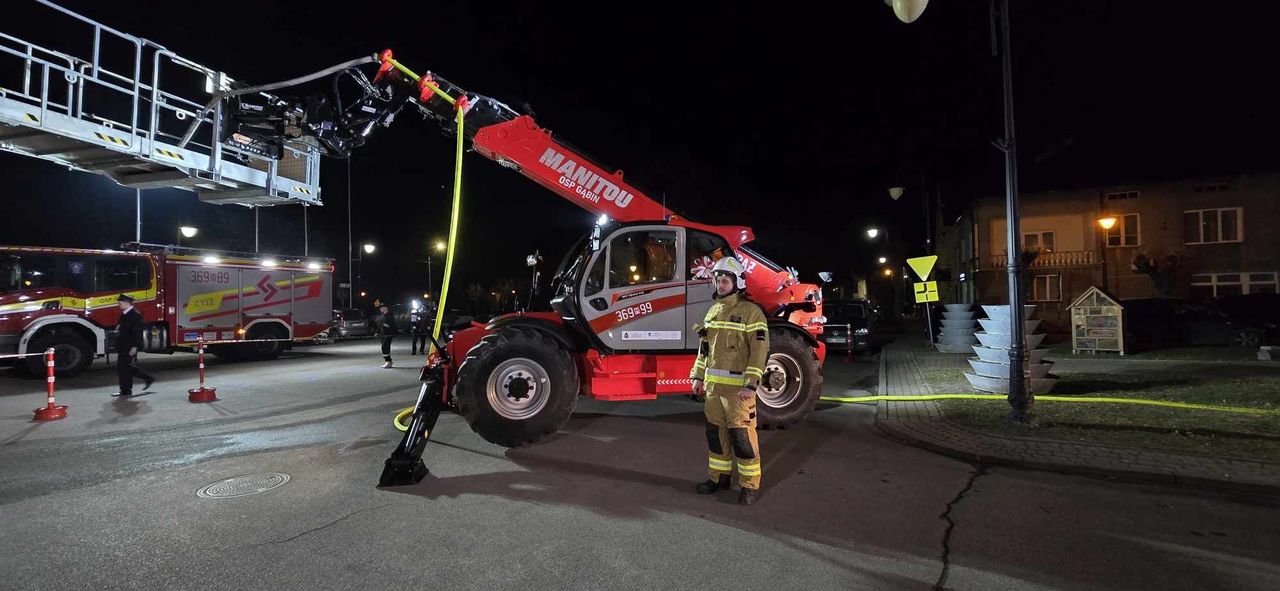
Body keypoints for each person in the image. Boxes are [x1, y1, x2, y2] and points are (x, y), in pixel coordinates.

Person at [690, 257, 769, 505]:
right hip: (714, 390)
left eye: (725, 280)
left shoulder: (751, 312)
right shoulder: (713, 311)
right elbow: (705, 349)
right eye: (718, 279)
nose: (721, 284)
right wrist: (697, 376)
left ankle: (749, 486)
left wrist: (751, 384)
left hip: (739, 392)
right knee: (715, 436)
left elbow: (759, 351)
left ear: (738, 282)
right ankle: (718, 478)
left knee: (742, 439)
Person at [112, 293, 155, 397]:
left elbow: (137, 332)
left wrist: (134, 347)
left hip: (129, 346)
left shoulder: (135, 315)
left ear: (127, 303)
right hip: (123, 345)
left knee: (123, 368)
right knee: (124, 367)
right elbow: (121, 327)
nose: (119, 305)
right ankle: (145, 379)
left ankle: (126, 390)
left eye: (120, 303)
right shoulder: (125, 313)